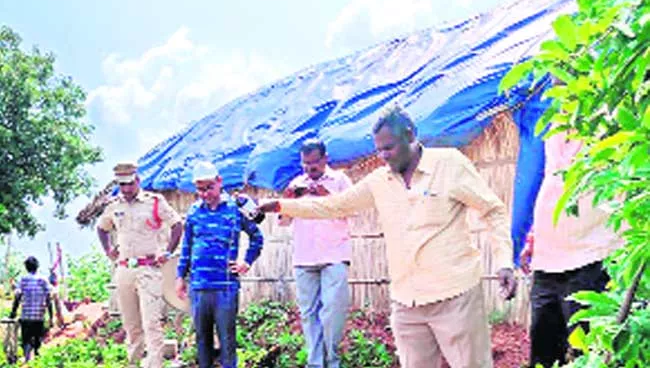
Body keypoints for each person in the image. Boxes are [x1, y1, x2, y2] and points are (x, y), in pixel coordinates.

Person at [259, 105, 517, 368]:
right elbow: (334, 206)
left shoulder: (449, 164)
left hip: (455, 296)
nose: (383, 156)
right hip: (407, 303)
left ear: (410, 134)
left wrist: (504, 260)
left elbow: (493, 210)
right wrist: (280, 205)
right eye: (379, 149)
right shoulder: (379, 181)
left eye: (389, 148)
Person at [520, 132, 623, 368]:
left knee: (587, 351)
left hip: (592, 254)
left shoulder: (607, 115)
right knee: (543, 349)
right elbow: (552, 183)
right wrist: (535, 235)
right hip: (548, 257)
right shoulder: (553, 124)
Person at [175, 161, 264, 368]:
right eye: (199, 189)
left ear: (219, 181)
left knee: (227, 341)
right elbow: (186, 246)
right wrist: (180, 276)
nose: (204, 193)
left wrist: (246, 262)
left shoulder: (235, 209)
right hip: (199, 287)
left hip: (225, 288)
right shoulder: (194, 211)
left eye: (209, 187)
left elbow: (257, 238)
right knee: (202, 342)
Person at [96, 162, 183, 368]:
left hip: (149, 268)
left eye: (129, 184)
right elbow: (102, 228)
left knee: (151, 322)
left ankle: (154, 364)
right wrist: (108, 250)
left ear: (137, 180)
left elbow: (177, 224)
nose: (126, 189)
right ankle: (133, 362)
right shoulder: (114, 205)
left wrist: (168, 251)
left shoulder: (154, 202)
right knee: (131, 323)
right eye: (121, 185)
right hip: (125, 269)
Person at [280, 139, 353, 368]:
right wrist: (288, 200)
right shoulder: (296, 183)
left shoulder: (340, 181)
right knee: (308, 313)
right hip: (304, 257)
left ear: (325, 159)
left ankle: (332, 360)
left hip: (335, 255)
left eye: (314, 163)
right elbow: (283, 221)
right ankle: (315, 363)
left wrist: (325, 195)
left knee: (333, 310)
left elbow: (353, 211)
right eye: (305, 164)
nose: (310, 169)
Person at [9, 256, 54, 362]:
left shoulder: (23, 280)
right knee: (38, 341)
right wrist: (51, 316)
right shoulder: (43, 280)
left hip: (26, 317)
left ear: (26, 267)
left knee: (26, 341)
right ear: (37, 266)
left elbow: (18, 296)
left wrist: (13, 312)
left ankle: (27, 360)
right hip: (39, 316)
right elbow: (48, 298)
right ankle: (37, 361)